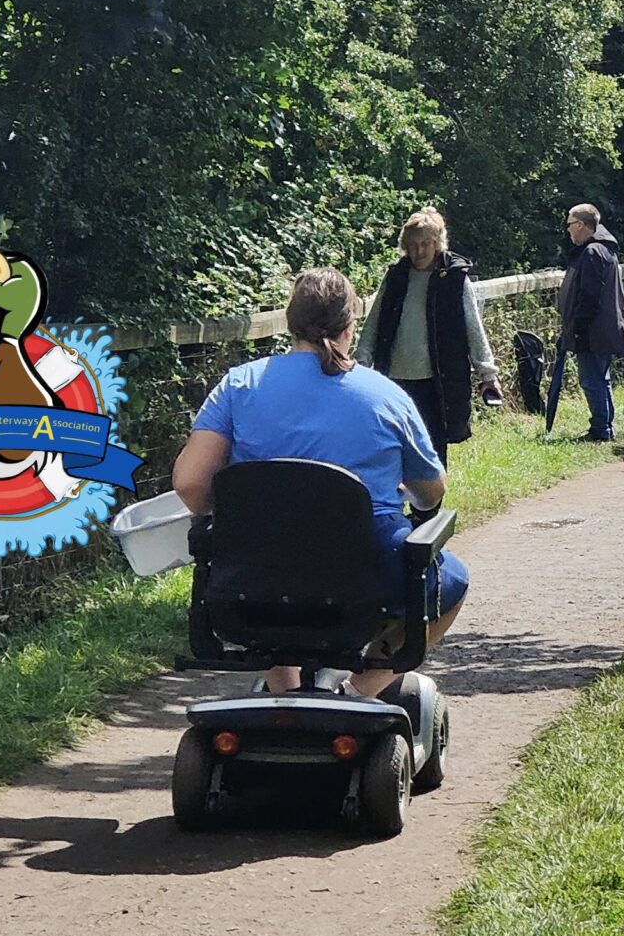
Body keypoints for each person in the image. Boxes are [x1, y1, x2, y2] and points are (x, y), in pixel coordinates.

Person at [173, 269, 471, 696]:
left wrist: (234, 515)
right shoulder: (385, 395)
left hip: (254, 569)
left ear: (290, 323)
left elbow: (189, 485)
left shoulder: (239, 386)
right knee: (453, 580)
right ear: (351, 326)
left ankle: (285, 693)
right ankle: (358, 693)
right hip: (365, 574)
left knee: (274, 582)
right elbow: (432, 490)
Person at [362, 208, 501, 463]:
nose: (419, 252)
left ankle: (429, 503)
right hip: (394, 378)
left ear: (437, 243)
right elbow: (374, 323)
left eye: (425, 244)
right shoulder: (396, 277)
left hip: (437, 381)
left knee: (433, 448)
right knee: (394, 445)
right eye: (413, 245)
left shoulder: (454, 280)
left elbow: (474, 329)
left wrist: (488, 374)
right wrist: (360, 365)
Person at [555, 203, 624, 442]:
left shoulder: (592, 252)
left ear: (580, 225)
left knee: (591, 380)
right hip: (603, 327)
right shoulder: (603, 250)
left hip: (594, 329)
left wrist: (578, 328)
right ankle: (605, 425)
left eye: (569, 224)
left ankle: (601, 428)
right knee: (600, 377)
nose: (568, 230)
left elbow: (589, 295)